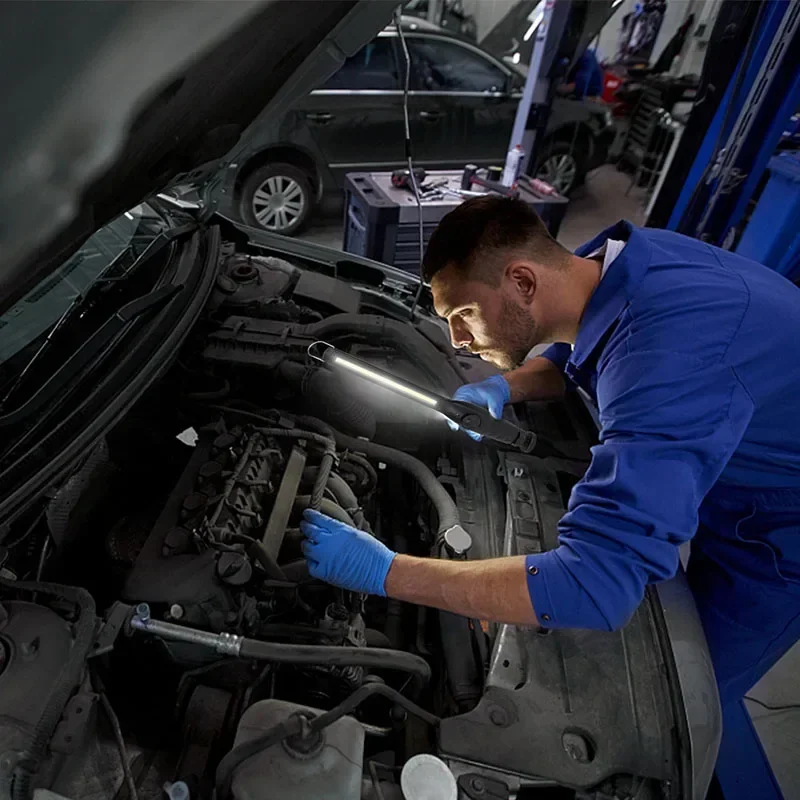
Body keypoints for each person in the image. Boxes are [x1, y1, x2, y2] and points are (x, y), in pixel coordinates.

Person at [300, 196, 800, 710]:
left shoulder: (665, 365)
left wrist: (386, 572)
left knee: (683, 705)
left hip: (778, 534)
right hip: (746, 440)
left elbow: (596, 585)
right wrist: (506, 389)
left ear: (521, 282)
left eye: (464, 314)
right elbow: (577, 345)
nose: (457, 342)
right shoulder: (615, 263)